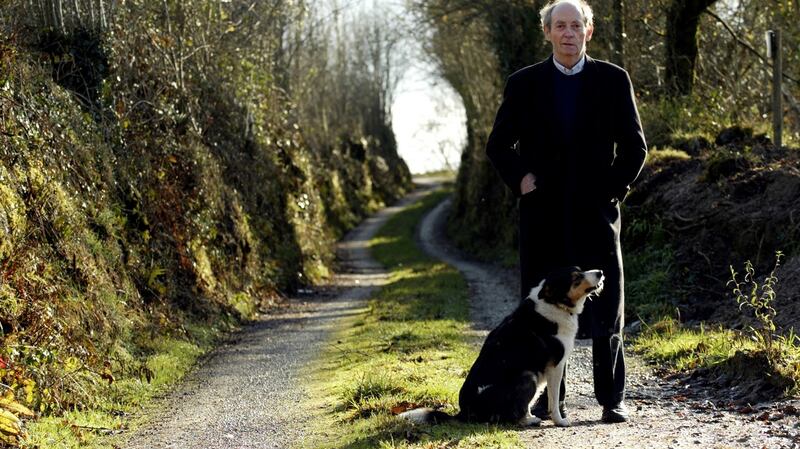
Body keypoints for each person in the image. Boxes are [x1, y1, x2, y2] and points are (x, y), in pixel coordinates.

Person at [485, 0, 647, 423]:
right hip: (543, 215)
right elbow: (498, 145)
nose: (568, 33)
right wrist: (521, 179)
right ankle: (545, 399)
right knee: (543, 309)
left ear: (588, 31)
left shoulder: (613, 79)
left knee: (607, 307)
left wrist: (613, 190)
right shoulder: (523, 83)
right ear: (547, 32)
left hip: (596, 213)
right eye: (560, 26)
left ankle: (611, 398)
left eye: (576, 25)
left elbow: (635, 147)